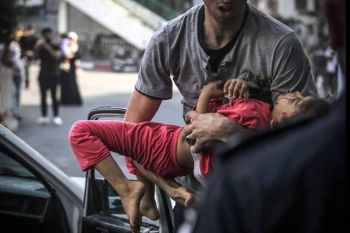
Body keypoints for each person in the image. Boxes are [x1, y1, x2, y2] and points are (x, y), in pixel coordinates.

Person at [122, 0, 317, 230]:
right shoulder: (168, 38)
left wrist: (235, 133)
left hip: (260, 200)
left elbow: (306, 147)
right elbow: (129, 134)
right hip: (193, 199)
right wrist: (168, 187)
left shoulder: (280, 43)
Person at [69, 79, 328, 232]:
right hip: (172, 152)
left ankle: (128, 189)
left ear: (281, 121)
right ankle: (156, 193)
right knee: (133, 141)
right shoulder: (260, 132)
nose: (294, 92)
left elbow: (197, 125)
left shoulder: (254, 113)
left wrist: (206, 95)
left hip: (167, 144)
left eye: (296, 99)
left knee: (82, 131)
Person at [177, 0, 346, 232]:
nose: (294, 93)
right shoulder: (170, 36)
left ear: (334, 26)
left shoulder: (247, 179)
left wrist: (232, 134)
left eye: (295, 98)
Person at [35, 27, 63, 126]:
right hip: (43, 75)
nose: (48, 36)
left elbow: (57, 56)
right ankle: (44, 116)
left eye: (49, 34)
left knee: (54, 97)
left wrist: (47, 46)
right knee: (43, 97)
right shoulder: (40, 46)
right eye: (45, 34)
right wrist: (38, 48)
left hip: (54, 75)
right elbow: (35, 57)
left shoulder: (55, 45)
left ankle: (56, 116)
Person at [59, 31, 83, 106]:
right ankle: (65, 100)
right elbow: (61, 55)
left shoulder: (76, 47)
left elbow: (78, 55)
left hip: (71, 69)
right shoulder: (65, 46)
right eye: (69, 38)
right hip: (64, 68)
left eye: (71, 38)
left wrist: (71, 56)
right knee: (64, 85)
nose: (70, 40)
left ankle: (74, 100)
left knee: (72, 84)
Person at [19, 24, 38, 89]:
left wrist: (25, 52)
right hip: (32, 56)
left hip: (25, 55)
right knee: (28, 69)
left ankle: (27, 82)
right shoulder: (35, 37)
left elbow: (21, 46)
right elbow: (37, 47)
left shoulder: (23, 36)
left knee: (27, 69)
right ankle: (28, 82)